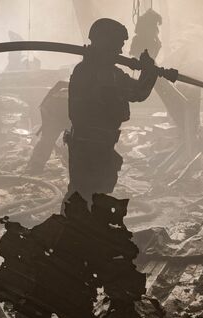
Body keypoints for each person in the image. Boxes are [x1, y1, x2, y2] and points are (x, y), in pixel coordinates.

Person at [64, 18, 158, 207]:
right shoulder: (102, 74)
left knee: (85, 195)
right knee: (85, 197)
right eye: (117, 45)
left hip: (93, 145)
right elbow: (137, 92)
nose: (120, 51)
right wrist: (149, 72)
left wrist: (149, 71)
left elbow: (136, 91)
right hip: (91, 148)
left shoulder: (91, 70)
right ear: (106, 43)